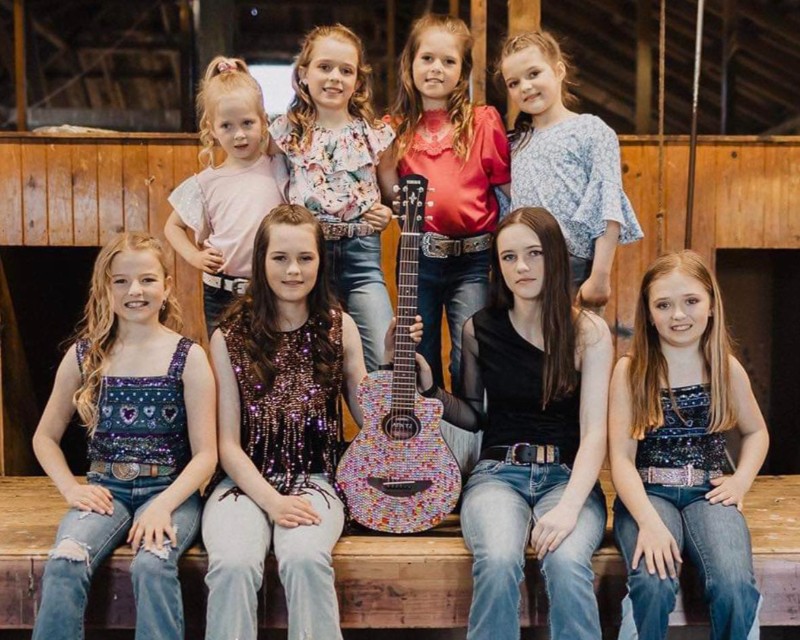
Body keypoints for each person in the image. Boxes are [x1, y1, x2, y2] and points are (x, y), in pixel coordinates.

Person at [201, 204, 420, 640]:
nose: (293, 270)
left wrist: (400, 361)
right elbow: (226, 444)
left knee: (304, 559)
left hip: (317, 478)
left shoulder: (341, 326)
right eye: (280, 258)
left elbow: (371, 420)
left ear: (321, 261)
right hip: (243, 484)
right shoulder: (230, 336)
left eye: (305, 258)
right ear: (260, 262)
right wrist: (271, 501)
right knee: (233, 564)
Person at [416, 207, 613, 639]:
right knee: (500, 558)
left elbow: (596, 432)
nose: (521, 267)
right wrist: (431, 392)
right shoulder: (478, 328)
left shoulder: (589, 333)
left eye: (534, 253)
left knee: (565, 561)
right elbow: (474, 414)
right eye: (508, 257)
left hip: (566, 477)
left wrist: (568, 509)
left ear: (555, 257)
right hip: (496, 475)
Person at [31, 232, 217, 640]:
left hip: (170, 491)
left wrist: (163, 506)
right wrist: (70, 489)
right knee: (65, 559)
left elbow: (207, 455)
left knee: (152, 563)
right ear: (105, 289)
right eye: (121, 281)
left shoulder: (188, 356)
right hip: (106, 491)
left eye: (148, 279)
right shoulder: (85, 354)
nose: (136, 290)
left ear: (166, 287)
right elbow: (44, 437)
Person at [608, 250, 768, 640]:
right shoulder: (630, 371)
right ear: (648, 313)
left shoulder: (725, 367)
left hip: (708, 493)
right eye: (664, 305)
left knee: (733, 584)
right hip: (648, 493)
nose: (678, 315)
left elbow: (757, 432)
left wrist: (741, 481)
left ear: (711, 304)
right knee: (653, 580)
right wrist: (647, 522)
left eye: (691, 302)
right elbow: (621, 460)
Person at [389, 13, 510, 392]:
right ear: (410, 63)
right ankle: (429, 444)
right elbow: (388, 193)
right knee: (419, 352)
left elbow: (506, 191)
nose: (436, 69)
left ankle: (468, 442)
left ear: (463, 71)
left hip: (472, 259)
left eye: (448, 61)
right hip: (419, 257)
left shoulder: (482, 122)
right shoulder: (393, 128)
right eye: (427, 59)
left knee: (468, 353)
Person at [268, 25, 395, 372]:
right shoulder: (287, 132)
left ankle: (377, 426)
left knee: (384, 352)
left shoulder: (374, 135)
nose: (335, 77)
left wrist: (388, 213)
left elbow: (393, 196)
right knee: (311, 360)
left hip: (362, 258)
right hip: (309, 255)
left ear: (358, 81)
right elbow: (267, 183)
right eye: (325, 67)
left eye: (346, 70)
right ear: (304, 74)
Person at [499, 31, 643, 305]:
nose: (525, 87)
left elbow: (607, 204)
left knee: (573, 346)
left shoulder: (590, 130)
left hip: (573, 264)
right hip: (523, 265)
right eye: (514, 83)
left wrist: (600, 275)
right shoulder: (514, 143)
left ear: (559, 71)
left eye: (533, 74)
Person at [165, 55, 288, 336]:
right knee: (228, 367)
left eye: (247, 123)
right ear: (212, 129)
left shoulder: (278, 166)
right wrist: (194, 257)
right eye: (227, 126)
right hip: (221, 292)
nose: (239, 135)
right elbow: (172, 226)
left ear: (263, 121)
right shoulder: (206, 182)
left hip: (272, 289)